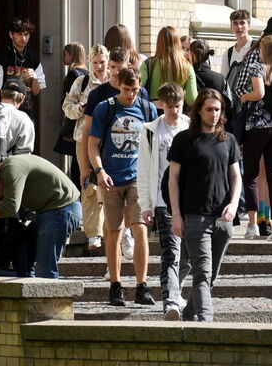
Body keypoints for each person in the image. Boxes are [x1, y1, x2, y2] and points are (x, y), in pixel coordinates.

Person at [168, 89, 242, 322]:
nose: (214, 114)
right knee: (201, 273)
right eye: (209, 109)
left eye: (217, 110)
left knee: (211, 275)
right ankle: (207, 321)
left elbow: (236, 177)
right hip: (194, 216)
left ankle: (189, 313)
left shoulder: (228, 140)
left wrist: (233, 204)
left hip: (223, 217)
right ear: (199, 110)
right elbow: (173, 179)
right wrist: (177, 216)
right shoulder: (184, 139)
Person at [87, 66, 158, 306]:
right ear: (119, 86)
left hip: (138, 178)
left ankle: (142, 285)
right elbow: (93, 144)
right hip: (110, 178)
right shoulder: (104, 108)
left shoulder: (147, 108)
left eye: (135, 90)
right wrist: (99, 171)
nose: (130, 95)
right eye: (127, 90)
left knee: (140, 230)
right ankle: (115, 286)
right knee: (114, 232)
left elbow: (152, 145)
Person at [0, 153, 81, 279]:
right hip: (47, 212)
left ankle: (47, 298)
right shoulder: (4, 178)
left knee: (45, 267)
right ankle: (29, 295)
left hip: (62, 208)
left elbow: (10, 207)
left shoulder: (12, 169)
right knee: (23, 257)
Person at [138, 83, 191, 319]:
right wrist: (145, 205)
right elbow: (144, 170)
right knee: (171, 252)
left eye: (178, 106)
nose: (174, 111)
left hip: (191, 200)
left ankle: (175, 289)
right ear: (161, 105)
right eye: (169, 106)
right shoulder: (150, 130)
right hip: (163, 201)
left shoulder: (191, 127)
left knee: (188, 256)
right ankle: (171, 303)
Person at [241, 33, 272, 242]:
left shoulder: (257, 67)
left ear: (263, 50)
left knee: (251, 175)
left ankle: (252, 225)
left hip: (257, 126)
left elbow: (259, 93)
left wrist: (244, 97)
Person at [64, 43, 108, 250]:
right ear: (90, 62)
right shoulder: (82, 82)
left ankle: (112, 228)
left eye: (102, 62)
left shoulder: (115, 82)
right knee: (89, 186)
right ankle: (93, 233)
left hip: (109, 141)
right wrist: (80, 108)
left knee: (110, 185)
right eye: (96, 62)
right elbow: (67, 107)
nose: (99, 66)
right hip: (84, 138)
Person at [0, 17, 45, 105]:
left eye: (26, 34)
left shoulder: (34, 59)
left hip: (26, 111)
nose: (23, 38)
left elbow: (36, 92)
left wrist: (35, 78)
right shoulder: (0, 59)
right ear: (11, 35)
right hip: (6, 111)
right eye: (20, 34)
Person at [140, 25, 198, 106]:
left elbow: (137, 88)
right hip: (176, 111)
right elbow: (192, 99)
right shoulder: (187, 66)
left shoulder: (148, 63)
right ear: (178, 42)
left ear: (159, 42)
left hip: (153, 112)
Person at [54, 42, 89, 166]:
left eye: (65, 54)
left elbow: (70, 98)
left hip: (75, 118)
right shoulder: (87, 73)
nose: (63, 57)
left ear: (72, 55)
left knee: (76, 161)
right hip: (84, 119)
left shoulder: (73, 73)